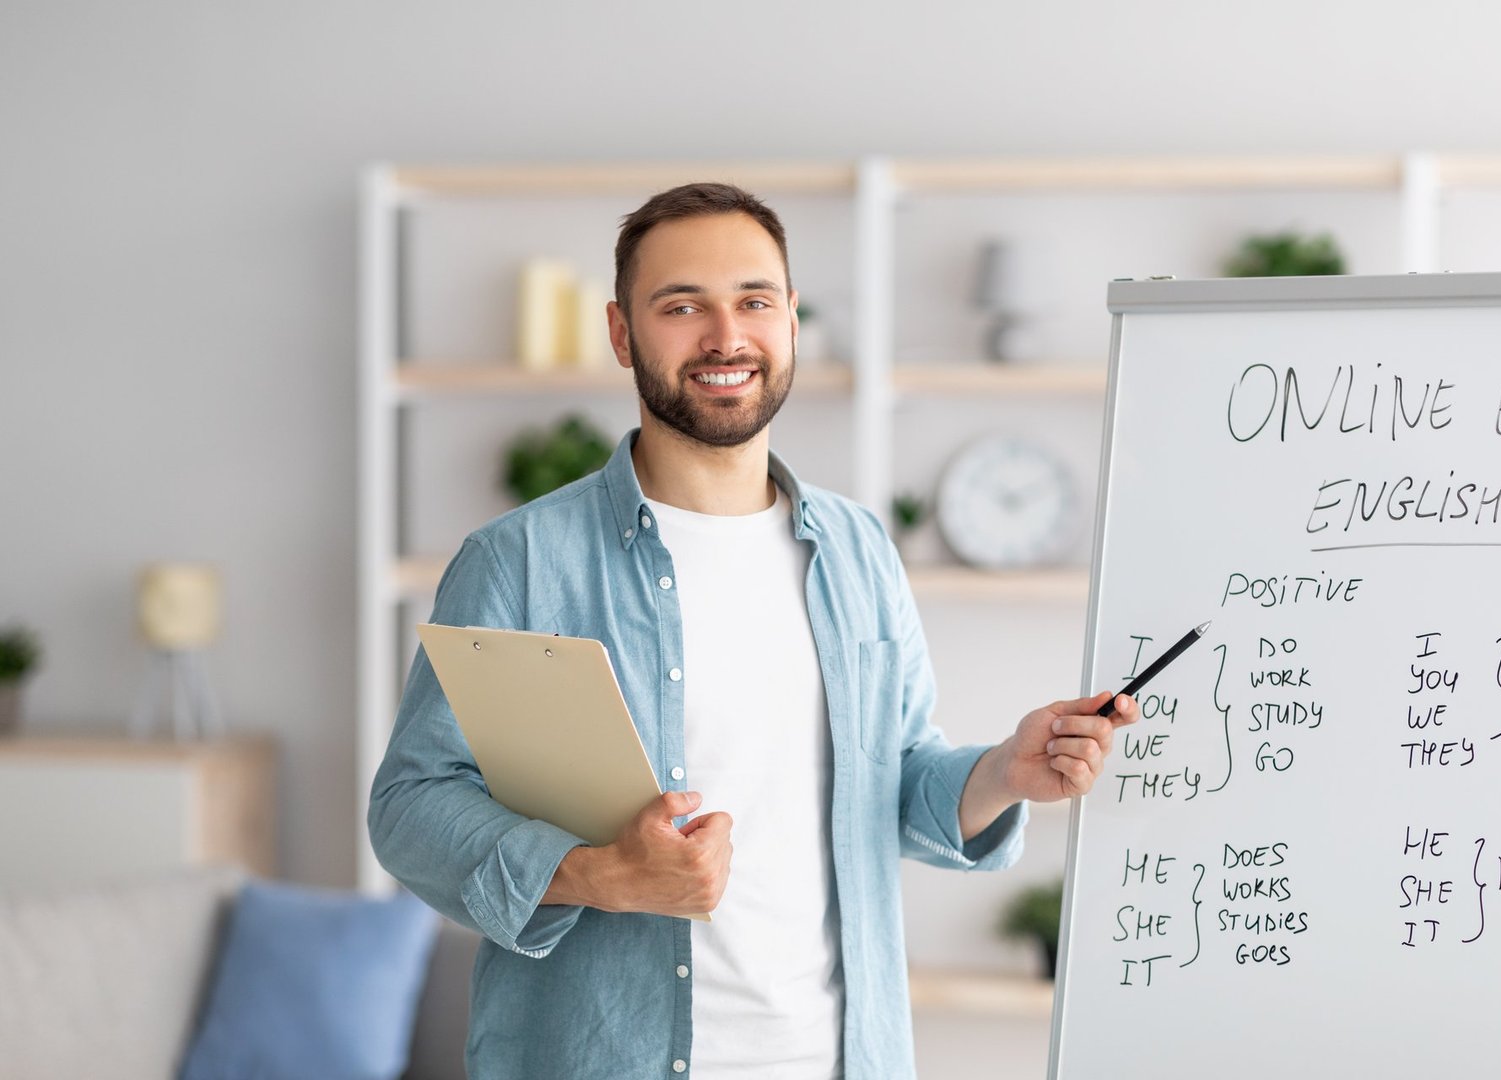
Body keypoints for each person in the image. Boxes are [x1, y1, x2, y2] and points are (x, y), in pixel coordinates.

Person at [368, 182, 1140, 1079]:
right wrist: (594, 873)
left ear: (791, 322)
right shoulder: (520, 560)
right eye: (682, 305)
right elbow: (410, 807)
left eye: (753, 302)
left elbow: (888, 781)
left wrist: (1006, 771)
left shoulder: (857, 549)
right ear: (621, 333)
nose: (725, 337)